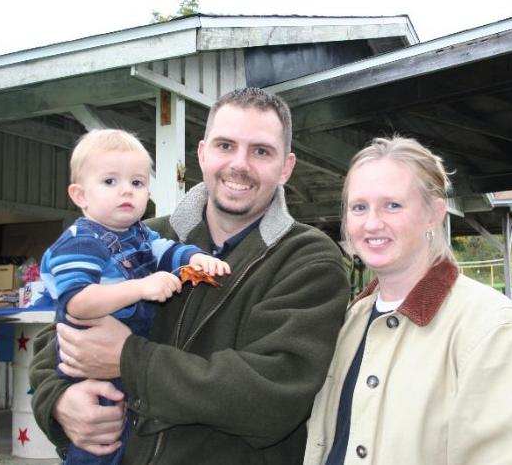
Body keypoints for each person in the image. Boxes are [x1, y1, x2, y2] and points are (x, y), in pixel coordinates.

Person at [29, 88, 350, 464]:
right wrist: (60, 402)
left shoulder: (307, 258)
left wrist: (130, 361)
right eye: (225, 145)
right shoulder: (139, 237)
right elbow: (57, 335)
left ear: (286, 167)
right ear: (202, 153)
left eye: (261, 151)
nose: (240, 164)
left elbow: (273, 395)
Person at [303, 136, 512, 465]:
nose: (371, 223)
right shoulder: (351, 321)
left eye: (392, 205)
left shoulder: (496, 331)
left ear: (434, 214)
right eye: (359, 207)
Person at [39, 128, 230, 465]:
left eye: (137, 183)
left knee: (125, 439)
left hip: (126, 364)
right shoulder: (80, 242)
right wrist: (141, 287)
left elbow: (168, 251)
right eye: (110, 182)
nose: (126, 190)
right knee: (101, 442)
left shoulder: (139, 234)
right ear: (80, 195)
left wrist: (196, 259)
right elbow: (77, 302)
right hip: (90, 369)